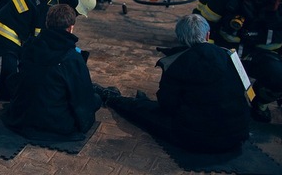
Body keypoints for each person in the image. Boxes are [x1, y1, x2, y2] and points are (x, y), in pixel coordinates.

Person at [99, 14, 250, 153]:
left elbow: (167, 105)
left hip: (198, 138)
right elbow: (245, 90)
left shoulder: (177, 62)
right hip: (238, 133)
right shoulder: (228, 55)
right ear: (208, 35)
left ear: (180, 38)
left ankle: (112, 98)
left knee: (144, 112)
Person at [197, 0, 282, 123]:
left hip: (263, 57)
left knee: (280, 79)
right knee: (217, 97)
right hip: (227, 53)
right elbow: (203, 26)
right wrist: (207, 54)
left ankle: (260, 103)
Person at [0, 0, 96, 99]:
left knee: (16, 79)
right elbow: (42, 43)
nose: (76, 16)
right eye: (78, 13)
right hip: (1, 37)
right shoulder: (49, 7)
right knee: (8, 88)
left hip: (8, 33)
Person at [2, 4, 101, 141]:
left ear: (47, 23)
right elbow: (82, 98)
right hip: (56, 123)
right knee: (95, 99)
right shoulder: (72, 58)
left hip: (21, 117)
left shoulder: (30, 46)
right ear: (71, 28)